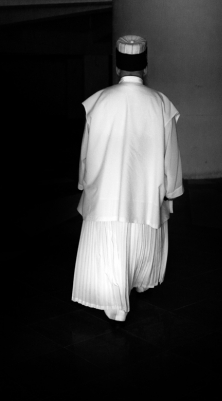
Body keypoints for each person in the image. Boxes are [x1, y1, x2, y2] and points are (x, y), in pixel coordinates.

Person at [71, 35, 184, 321]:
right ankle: (140, 281)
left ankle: (114, 301)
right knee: (142, 235)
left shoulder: (99, 101)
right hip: (145, 194)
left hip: (105, 194)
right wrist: (171, 189)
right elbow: (170, 154)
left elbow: (85, 153)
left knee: (110, 242)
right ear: (145, 68)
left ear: (117, 68)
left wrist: (84, 183)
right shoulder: (160, 103)